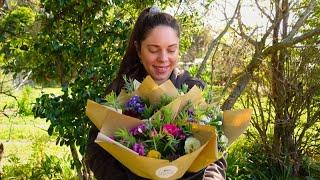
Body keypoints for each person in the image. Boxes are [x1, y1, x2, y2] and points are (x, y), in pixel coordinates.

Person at [86, 6, 227, 180]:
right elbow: (96, 154)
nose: (163, 58)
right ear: (138, 49)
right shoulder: (119, 92)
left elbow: (217, 151)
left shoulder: (193, 90)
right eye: (153, 49)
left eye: (171, 49)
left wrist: (212, 177)